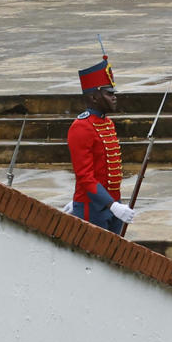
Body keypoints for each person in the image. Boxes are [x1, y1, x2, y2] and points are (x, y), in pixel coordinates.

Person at [67, 59, 130, 232]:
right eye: (109, 94)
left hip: (113, 204)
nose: (114, 97)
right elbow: (85, 177)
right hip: (93, 209)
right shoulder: (81, 127)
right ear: (94, 97)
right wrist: (112, 205)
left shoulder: (107, 123)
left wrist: (115, 204)